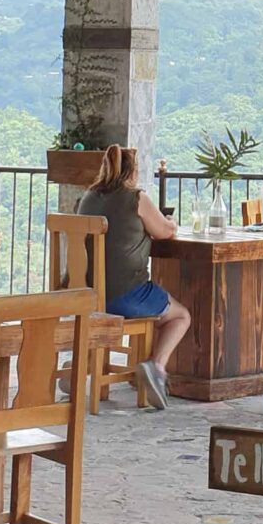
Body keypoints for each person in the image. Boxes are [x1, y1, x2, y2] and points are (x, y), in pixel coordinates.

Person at [76, 146, 190, 410]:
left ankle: (81, 367)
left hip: (89, 296)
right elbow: (163, 232)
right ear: (133, 171)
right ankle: (155, 366)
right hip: (126, 296)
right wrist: (171, 223)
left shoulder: (89, 197)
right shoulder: (136, 198)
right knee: (180, 315)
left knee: (159, 310)